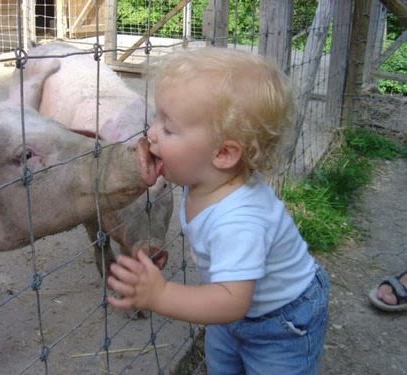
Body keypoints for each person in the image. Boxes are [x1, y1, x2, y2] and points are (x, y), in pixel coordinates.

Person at [107, 47, 330, 374]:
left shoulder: (239, 221)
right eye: (157, 118)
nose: (151, 133)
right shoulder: (203, 177)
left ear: (223, 154)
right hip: (232, 315)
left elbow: (231, 301)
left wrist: (161, 294)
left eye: (168, 128)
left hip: (281, 323)